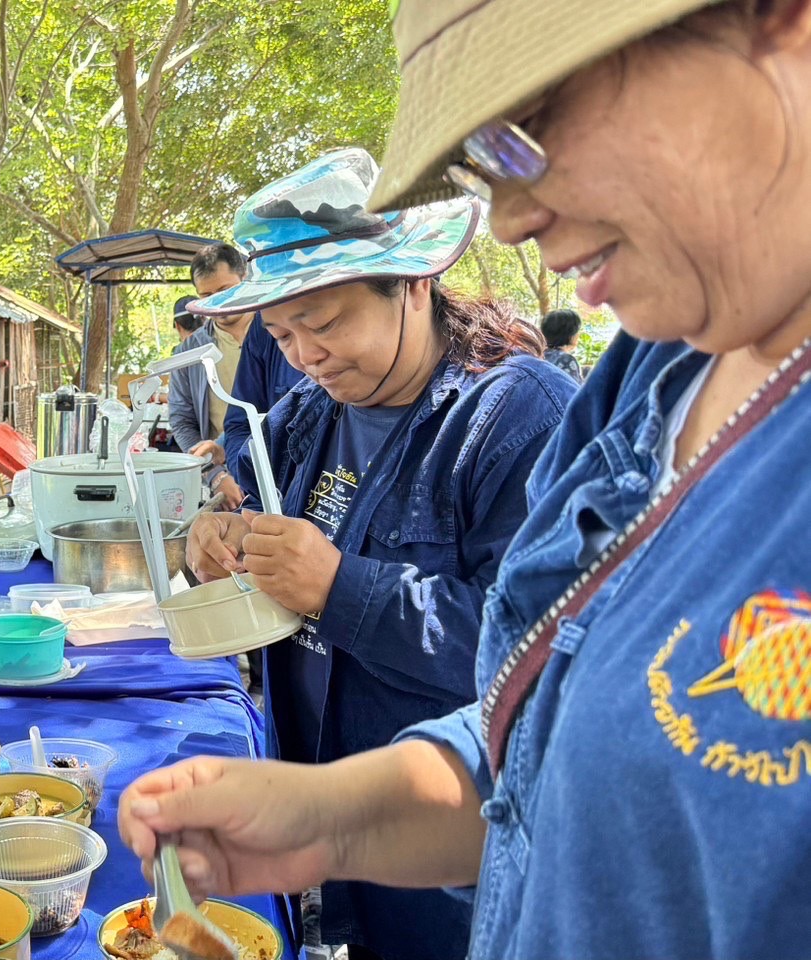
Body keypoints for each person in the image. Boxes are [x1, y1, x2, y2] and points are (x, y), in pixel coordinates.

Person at [120, 2, 811, 958]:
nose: (516, 217)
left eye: (533, 124)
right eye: (484, 163)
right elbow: (538, 740)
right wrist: (328, 821)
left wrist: (337, 588)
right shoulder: (650, 376)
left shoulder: (511, 409)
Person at [179, 147, 575, 960]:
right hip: (325, 797)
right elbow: (257, 520)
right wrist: (220, 542)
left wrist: (339, 588)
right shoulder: (302, 413)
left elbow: (545, 657)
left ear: (414, 284)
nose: (304, 356)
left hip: (450, 848)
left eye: (324, 324)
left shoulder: (516, 418)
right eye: (282, 333)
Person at [170, 253, 247, 509]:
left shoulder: (279, 335)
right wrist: (214, 474)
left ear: (244, 278)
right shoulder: (190, 353)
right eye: (206, 295)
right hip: (226, 482)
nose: (218, 301)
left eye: (226, 289)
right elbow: (181, 420)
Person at [540, 308, 585, 381]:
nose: (579, 334)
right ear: (570, 334)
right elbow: (573, 390)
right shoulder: (566, 360)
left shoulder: (538, 355)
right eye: (578, 330)